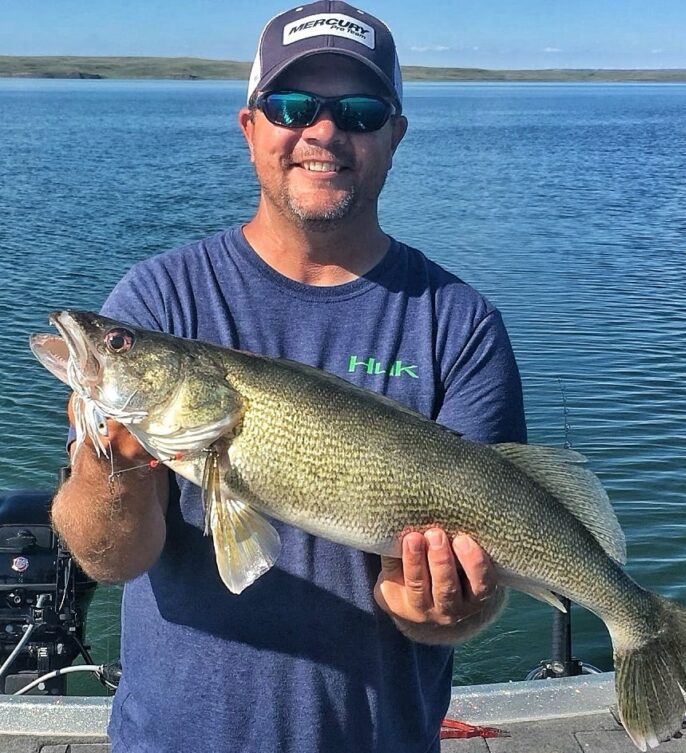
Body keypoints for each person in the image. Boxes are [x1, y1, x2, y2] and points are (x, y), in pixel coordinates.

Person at [52, 2, 527, 751]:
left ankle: (648, 629)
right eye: (292, 106)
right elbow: (108, 557)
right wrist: (112, 462)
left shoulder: (459, 325)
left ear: (395, 135)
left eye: (360, 111)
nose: (324, 131)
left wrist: (439, 607)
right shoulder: (161, 297)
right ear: (250, 128)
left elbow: (455, 597)